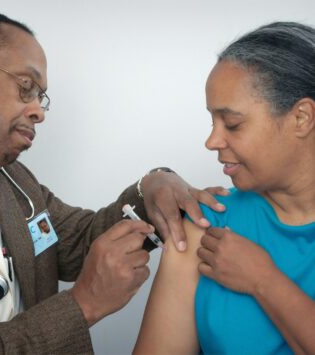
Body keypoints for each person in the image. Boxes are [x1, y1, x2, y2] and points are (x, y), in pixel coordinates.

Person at [0, 8, 227, 354]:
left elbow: (81, 242)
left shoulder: (15, 183)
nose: (38, 111)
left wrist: (151, 189)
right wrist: (82, 306)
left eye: (41, 97)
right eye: (26, 87)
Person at [134, 21, 315, 355]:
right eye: (212, 122)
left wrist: (264, 281)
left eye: (233, 124)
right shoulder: (206, 226)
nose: (212, 141)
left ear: (302, 118)